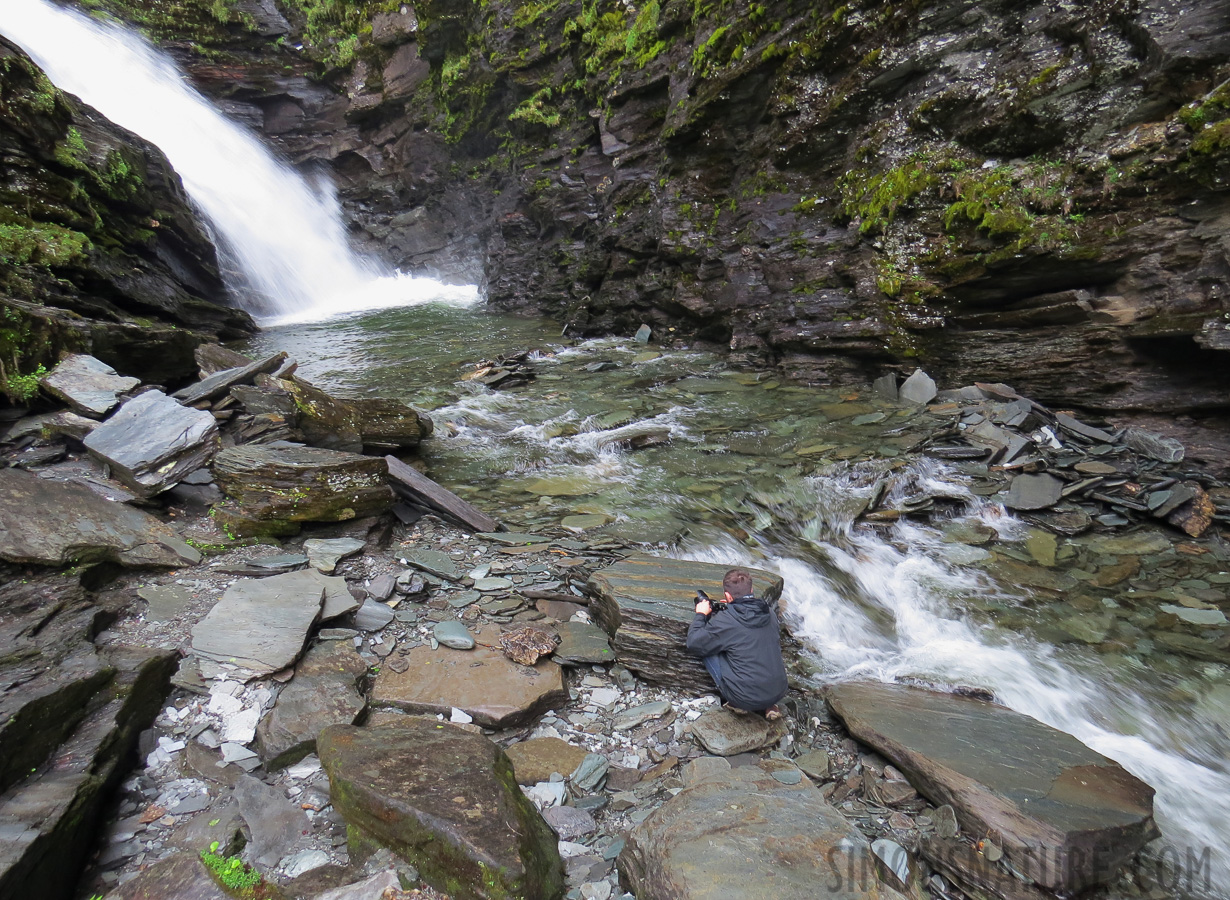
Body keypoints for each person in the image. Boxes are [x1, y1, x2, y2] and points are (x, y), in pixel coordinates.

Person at [686, 567, 787, 720]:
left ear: (727, 596)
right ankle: (770, 705)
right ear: (751, 590)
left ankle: (739, 704)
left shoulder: (726, 621)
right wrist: (731, 608)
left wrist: (701, 614)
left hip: (743, 698)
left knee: (709, 647)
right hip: (779, 691)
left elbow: (694, 643)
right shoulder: (769, 612)